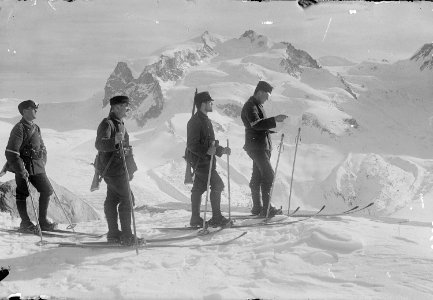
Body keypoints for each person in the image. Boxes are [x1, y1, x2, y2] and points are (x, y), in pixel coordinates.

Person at [95, 95, 142, 245]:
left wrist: (130, 168)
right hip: (114, 170)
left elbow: (125, 149)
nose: (127, 108)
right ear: (115, 107)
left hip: (116, 169)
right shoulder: (107, 123)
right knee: (127, 200)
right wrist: (114, 140)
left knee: (112, 199)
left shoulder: (119, 123)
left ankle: (114, 234)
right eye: (124, 105)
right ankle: (127, 236)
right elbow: (99, 144)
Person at [5, 100, 56, 233]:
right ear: (25, 111)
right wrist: (21, 170)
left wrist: (42, 161)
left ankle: (43, 221)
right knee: (22, 194)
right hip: (23, 168)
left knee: (47, 190)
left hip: (38, 167)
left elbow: (42, 147)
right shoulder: (19, 128)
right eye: (33, 108)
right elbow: (11, 152)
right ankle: (25, 222)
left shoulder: (36, 127)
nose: (36, 111)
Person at [241, 81, 288, 217]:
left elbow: (258, 127)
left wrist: (274, 129)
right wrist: (275, 120)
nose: (267, 99)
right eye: (267, 95)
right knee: (268, 175)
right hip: (257, 147)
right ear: (260, 92)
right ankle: (266, 209)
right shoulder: (251, 106)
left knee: (257, 176)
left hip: (258, 146)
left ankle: (257, 208)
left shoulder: (256, 105)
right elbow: (256, 124)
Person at [186, 91, 231, 228]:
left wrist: (221, 150)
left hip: (205, 161)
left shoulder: (205, 120)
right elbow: (192, 145)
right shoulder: (195, 122)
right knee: (218, 185)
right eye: (210, 102)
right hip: (202, 161)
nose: (212, 104)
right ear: (203, 104)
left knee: (198, 188)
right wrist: (207, 151)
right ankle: (216, 217)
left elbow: (210, 143)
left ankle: (195, 219)